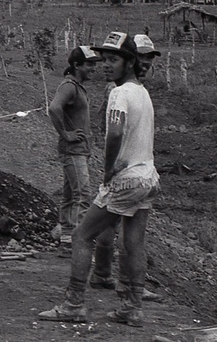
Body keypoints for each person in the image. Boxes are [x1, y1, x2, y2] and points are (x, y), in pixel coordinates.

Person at [40, 31, 160, 327]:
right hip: (148, 178)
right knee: (134, 244)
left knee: (82, 235)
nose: (106, 65)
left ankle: (74, 304)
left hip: (125, 179)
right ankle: (133, 308)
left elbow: (116, 132)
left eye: (113, 59)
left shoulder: (119, 94)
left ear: (129, 62)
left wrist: (108, 171)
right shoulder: (141, 91)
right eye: (104, 59)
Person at [90, 34, 163, 302]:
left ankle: (120, 282)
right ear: (133, 60)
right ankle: (108, 276)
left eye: (149, 59)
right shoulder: (119, 89)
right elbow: (113, 130)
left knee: (123, 231)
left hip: (130, 167)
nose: (146, 64)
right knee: (110, 225)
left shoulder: (135, 89)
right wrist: (111, 164)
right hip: (125, 167)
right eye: (143, 58)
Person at [48, 46, 100, 258]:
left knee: (70, 194)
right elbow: (53, 108)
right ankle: (81, 240)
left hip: (79, 150)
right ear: (76, 65)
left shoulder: (78, 87)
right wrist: (66, 133)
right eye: (89, 64)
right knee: (83, 193)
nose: (93, 68)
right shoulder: (69, 87)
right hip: (73, 150)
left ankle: (68, 240)